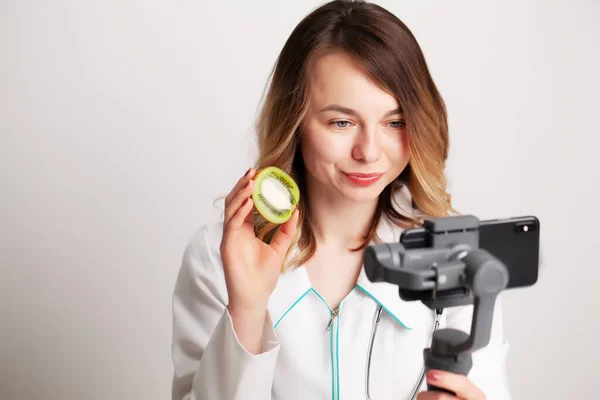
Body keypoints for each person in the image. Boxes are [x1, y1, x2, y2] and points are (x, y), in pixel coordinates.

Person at [171, 1, 511, 399]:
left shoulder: (457, 256)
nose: (368, 151)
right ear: (294, 122)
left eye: (394, 122)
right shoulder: (216, 256)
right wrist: (246, 311)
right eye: (341, 122)